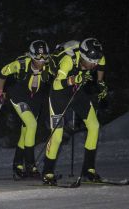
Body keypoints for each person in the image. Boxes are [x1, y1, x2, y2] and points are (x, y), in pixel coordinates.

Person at [42, 38, 108, 185]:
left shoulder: (98, 56)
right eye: (91, 62)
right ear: (83, 57)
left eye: (96, 62)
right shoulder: (68, 60)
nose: (94, 65)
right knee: (57, 136)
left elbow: (102, 65)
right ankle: (47, 172)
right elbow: (57, 85)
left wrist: (100, 83)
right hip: (58, 95)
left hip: (76, 91)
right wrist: (75, 79)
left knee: (94, 126)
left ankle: (88, 170)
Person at [0, 40, 52, 179]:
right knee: (32, 125)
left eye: (45, 57)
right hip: (18, 97)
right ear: (32, 56)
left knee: (26, 130)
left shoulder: (49, 65)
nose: (42, 61)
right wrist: (0, 90)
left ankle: (17, 164)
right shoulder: (20, 64)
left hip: (35, 98)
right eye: (39, 58)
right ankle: (30, 166)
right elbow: (3, 71)